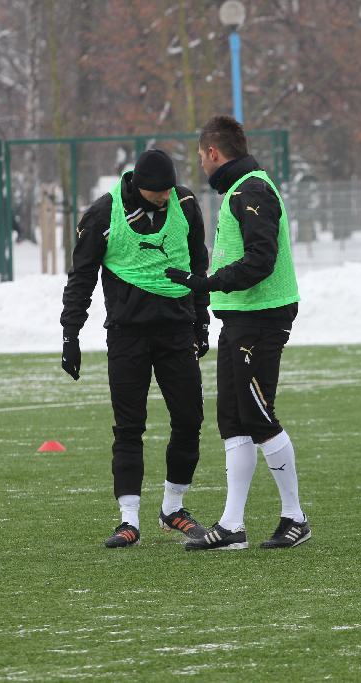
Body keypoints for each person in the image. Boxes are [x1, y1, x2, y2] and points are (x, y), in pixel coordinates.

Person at [165, 115, 309, 551]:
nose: (201, 166)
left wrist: (206, 282)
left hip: (261, 318)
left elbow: (261, 260)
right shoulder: (239, 189)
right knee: (232, 421)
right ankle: (232, 526)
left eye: (201, 157)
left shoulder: (252, 190)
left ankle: (295, 518)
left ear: (212, 153)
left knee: (259, 417)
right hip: (240, 318)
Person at [60, 149, 211, 548]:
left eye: (168, 190)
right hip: (128, 335)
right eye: (156, 192)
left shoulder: (187, 204)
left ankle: (173, 509)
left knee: (190, 419)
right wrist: (70, 335)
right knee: (128, 427)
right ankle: (128, 521)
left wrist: (202, 321)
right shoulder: (101, 216)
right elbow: (81, 278)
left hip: (177, 331)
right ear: (137, 184)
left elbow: (198, 264)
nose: (165, 197)